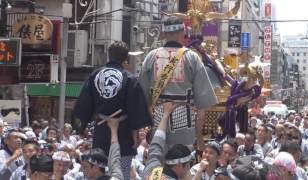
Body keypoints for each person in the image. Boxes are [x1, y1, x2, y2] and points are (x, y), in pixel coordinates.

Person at [74, 41, 153, 179]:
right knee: (121, 171)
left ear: (108, 56)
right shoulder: (129, 78)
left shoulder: (95, 75)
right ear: (125, 58)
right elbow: (135, 109)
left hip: (102, 128)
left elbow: (85, 103)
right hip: (123, 129)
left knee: (98, 167)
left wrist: (82, 126)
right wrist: (135, 133)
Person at [139, 16, 218, 147]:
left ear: (163, 34)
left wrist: (152, 123)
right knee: (181, 163)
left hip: (158, 117)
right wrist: (198, 135)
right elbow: (202, 105)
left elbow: (142, 98)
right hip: (183, 119)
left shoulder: (151, 57)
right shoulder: (192, 57)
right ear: (183, 33)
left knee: (158, 162)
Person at [143, 102, 192, 179]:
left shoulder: (152, 169)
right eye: (188, 166)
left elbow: (156, 145)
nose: (189, 169)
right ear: (179, 165)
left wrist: (165, 114)